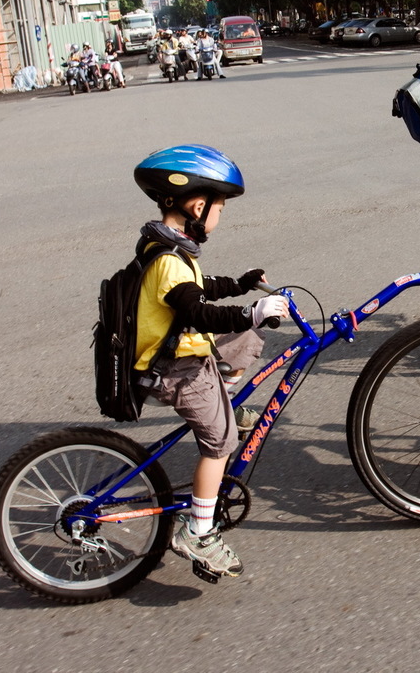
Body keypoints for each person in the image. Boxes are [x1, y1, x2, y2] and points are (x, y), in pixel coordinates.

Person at [131, 144, 290, 578]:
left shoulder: (169, 247)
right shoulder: (168, 261)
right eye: (219, 207)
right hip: (175, 370)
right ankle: (197, 531)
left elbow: (204, 289)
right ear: (197, 205)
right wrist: (252, 310)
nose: (219, 216)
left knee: (244, 336)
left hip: (184, 355)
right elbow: (196, 311)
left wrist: (241, 285)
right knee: (221, 445)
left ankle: (224, 398)